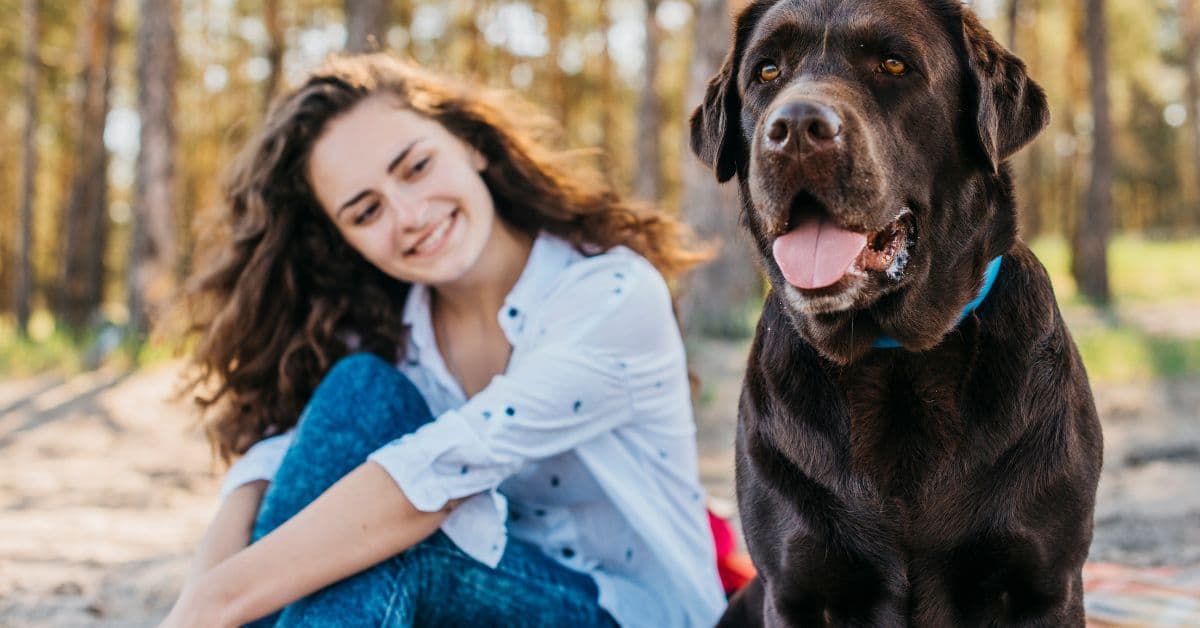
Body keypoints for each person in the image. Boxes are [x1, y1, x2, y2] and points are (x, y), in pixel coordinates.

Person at [163, 53, 726, 627]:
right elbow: (278, 456)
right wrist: (197, 599)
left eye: (416, 167)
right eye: (366, 211)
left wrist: (217, 603)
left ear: (470, 145)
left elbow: (440, 472)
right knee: (359, 391)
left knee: (386, 547)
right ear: (344, 240)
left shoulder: (610, 294)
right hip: (478, 596)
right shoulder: (396, 333)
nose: (408, 215)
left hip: (632, 614)